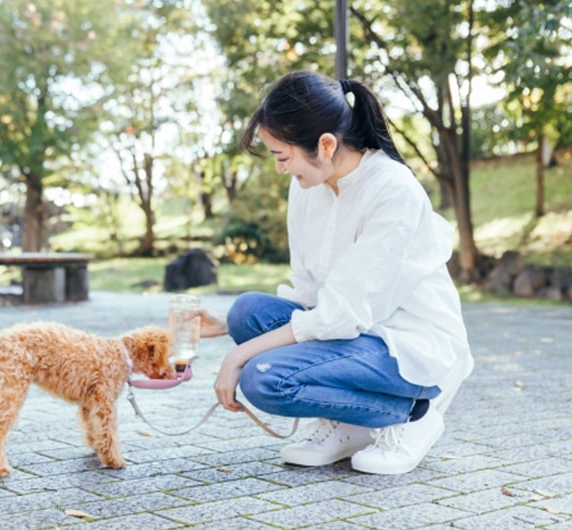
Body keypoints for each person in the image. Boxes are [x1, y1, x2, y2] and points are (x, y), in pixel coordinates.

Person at [195, 71, 473, 475]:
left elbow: (340, 315)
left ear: (326, 145)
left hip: (407, 346)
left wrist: (239, 355)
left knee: (264, 378)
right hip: (355, 336)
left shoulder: (394, 190)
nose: (280, 170)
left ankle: (412, 414)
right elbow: (312, 294)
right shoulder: (308, 187)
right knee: (245, 312)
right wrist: (225, 328)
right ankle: (351, 425)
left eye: (282, 156)